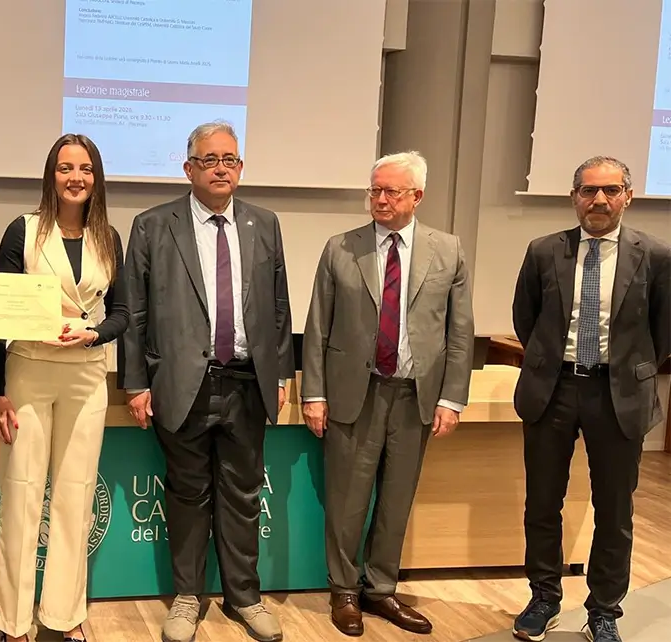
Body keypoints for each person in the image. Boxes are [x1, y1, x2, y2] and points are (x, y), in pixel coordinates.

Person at [121, 121, 293, 642]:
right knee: (187, 493)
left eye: (230, 159)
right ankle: (187, 598)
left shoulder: (264, 223)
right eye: (210, 159)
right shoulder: (153, 225)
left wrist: (281, 371)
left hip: (246, 381)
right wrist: (135, 383)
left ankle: (245, 597)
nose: (221, 168)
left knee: (243, 494)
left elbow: (279, 307)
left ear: (240, 167)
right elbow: (134, 312)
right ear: (188, 168)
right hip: (182, 384)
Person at [301, 151, 474, 637]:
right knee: (347, 501)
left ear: (417, 196)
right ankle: (344, 591)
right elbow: (317, 326)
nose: (380, 199)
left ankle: (381, 589)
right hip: (355, 393)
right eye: (374, 190)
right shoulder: (341, 248)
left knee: (396, 500)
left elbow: (460, 331)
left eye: (391, 191)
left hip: (415, 396)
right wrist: (313, 393)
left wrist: (451, 399)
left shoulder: (448, 250)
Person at [510, 156, 670, 642]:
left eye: (610, 190)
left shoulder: (657, 255)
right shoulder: (543, 251)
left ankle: (603, 611)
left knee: (614, 511)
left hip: (618, 394)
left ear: (628, 196)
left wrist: (625, 369)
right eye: (588, 190)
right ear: (574, 196)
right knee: (542, 503)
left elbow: (663, 331)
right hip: (553, 390)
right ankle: (543, 598)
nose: (599, 200)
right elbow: (526, 319)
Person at [0, 133, 129, 642]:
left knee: (75, 499)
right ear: (51, 175)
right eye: (65, 168)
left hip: (86, 376)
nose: (75, 177)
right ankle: (12, 622)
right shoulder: (22, 231)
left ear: (96, 178)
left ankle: (65, 616)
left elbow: (124, 313)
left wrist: (95, 333)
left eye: (85, 169)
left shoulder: (108, 237)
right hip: (28, 371)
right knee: (21, 497)